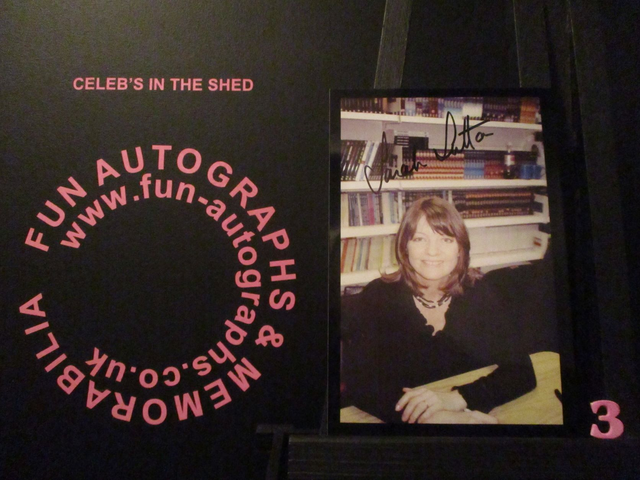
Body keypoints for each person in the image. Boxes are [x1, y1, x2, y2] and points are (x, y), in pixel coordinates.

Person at [341, 196, 536, 424]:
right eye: (420, 239)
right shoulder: (379, 296)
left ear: (460, 249)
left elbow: (521, 371)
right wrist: (436, 418)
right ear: (405, 247)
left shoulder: (479, 292)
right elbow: (360, 385)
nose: (432, 251)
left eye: (445, 239)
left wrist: (458, 398)